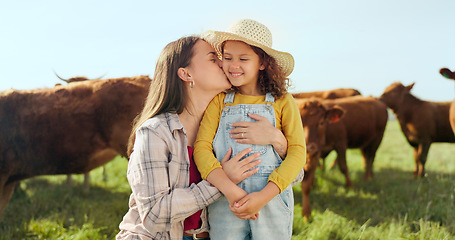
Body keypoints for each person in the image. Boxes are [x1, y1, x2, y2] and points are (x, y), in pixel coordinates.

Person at [116, 35, 290, 240]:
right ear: (187, 74)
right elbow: (154, 216)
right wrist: (221, 181)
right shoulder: (155, 133)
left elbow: (293, 175)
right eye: (212, 58)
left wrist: (278, 141)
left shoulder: (224, 124)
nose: (223, 64)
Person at [194, 19, 306, 240]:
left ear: (262, 63)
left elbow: (297, 152)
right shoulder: (219, 101)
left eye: (243, 59)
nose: (234, 65)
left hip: (272, 200)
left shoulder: (283, 101)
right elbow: (202, 148)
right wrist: (229, 189)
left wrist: (264, 196)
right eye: (227, 58)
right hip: (227, 200)